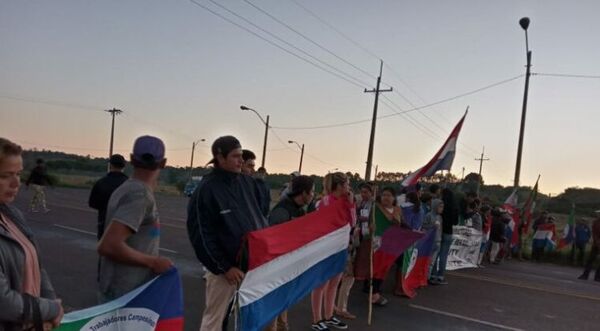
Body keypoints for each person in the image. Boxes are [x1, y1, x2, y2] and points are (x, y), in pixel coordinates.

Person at [187, 136, 268, 331]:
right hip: (224, 272)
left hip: (250, 267)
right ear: (219, 157)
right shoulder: (207, 190)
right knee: (215, 319)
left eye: (241, 156)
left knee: (246, 316)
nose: (241, 160)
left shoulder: (247, 183)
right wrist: (224, 267)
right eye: (235, 156)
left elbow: (259, 219)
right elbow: (201, 237)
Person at [97, 136, 173, 303]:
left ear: (131, 159)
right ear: (163, 163)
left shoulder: (126, 188)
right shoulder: (139, 195)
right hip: (125, 295)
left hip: (117, 289)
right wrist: (153, 262)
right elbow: (108, 245)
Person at [0, 138, 64, 330]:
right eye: (5, 176)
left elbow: (37, 266)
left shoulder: (12, 215)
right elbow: (5, 303)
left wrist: (51, 305)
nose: (15, 183)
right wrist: (51, 309)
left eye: (18, 174)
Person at [266, 175, 315, 331]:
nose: (314, 195)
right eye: (312, 191)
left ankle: (282, 325)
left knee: (284, 300)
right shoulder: (282, 210)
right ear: (304, 193)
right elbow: (273, 238)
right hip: (277, 266)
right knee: (275, 301)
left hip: (288, 266)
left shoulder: (299, 210)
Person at [310, 172, 352, 331]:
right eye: (347, 184)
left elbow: (352, 222)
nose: (349, 187)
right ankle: (317, 319)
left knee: (334, 283)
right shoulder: (325, 202)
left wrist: (351, 204)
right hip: (326, 248)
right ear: (340, 186)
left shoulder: (345, 201)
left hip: (340, 247)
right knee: (321, 284)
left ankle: (328, 316)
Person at [88, 154, 128, 240]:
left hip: (104, 222)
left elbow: (92, 203)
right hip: (125, 225)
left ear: (110, 165)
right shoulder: (129, 184)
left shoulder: (101, 182)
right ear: (124, 166)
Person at [372, 187, 402, 303]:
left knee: (385, 268)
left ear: (394, 198)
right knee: (377, 267)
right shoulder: (376, 209)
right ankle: (374, 293)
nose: (386, 197)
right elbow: (370, 224)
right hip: (378, 241)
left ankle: (376, 291)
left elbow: (400, 224)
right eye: (384, 195)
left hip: (392, 242)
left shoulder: (397, 210)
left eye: (389, 195)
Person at [431, 187, 458, 285]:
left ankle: (432, 274)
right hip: (448, 232)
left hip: (438, 231)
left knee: (435, 253)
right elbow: (455, 222)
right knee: (443, 255)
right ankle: (440, 276)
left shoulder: (440, 204)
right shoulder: (454, 207)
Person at [423, 198, 444, 284]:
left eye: (442, 207)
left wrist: (440, 238)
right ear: (435, 206)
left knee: (432, 262)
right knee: (426, 260)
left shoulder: (440, 217)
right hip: (430, 241)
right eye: (440, 207)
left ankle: (427, 278)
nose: (442, 209)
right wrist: (432, 226)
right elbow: (424, 226)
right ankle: (423, 278)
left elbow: (440, 229)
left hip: (437, 241)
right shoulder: (429, 215)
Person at [578, 215, 600, 281]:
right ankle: (585, 275)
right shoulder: (596, 222)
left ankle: (598, 277)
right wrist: (597, 243)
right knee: (590, 260)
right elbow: (594, 233)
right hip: (596, 244)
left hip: (597, 243)